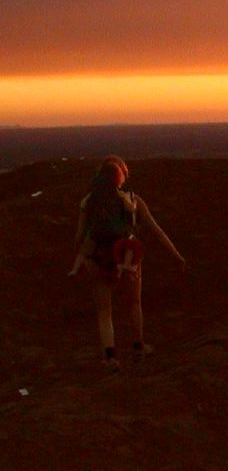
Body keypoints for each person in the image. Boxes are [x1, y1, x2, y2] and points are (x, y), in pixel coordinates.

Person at [73, 156, 186, 372]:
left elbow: (79, 235)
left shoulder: (88, 202)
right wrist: (176, 255)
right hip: (127, 255)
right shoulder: (133, 200)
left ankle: (110, 357)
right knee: (134, 303)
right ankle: (138, 348)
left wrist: (82, 257)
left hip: (99, 258)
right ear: (121, 175)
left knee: (104, 310)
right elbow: (156, 231)